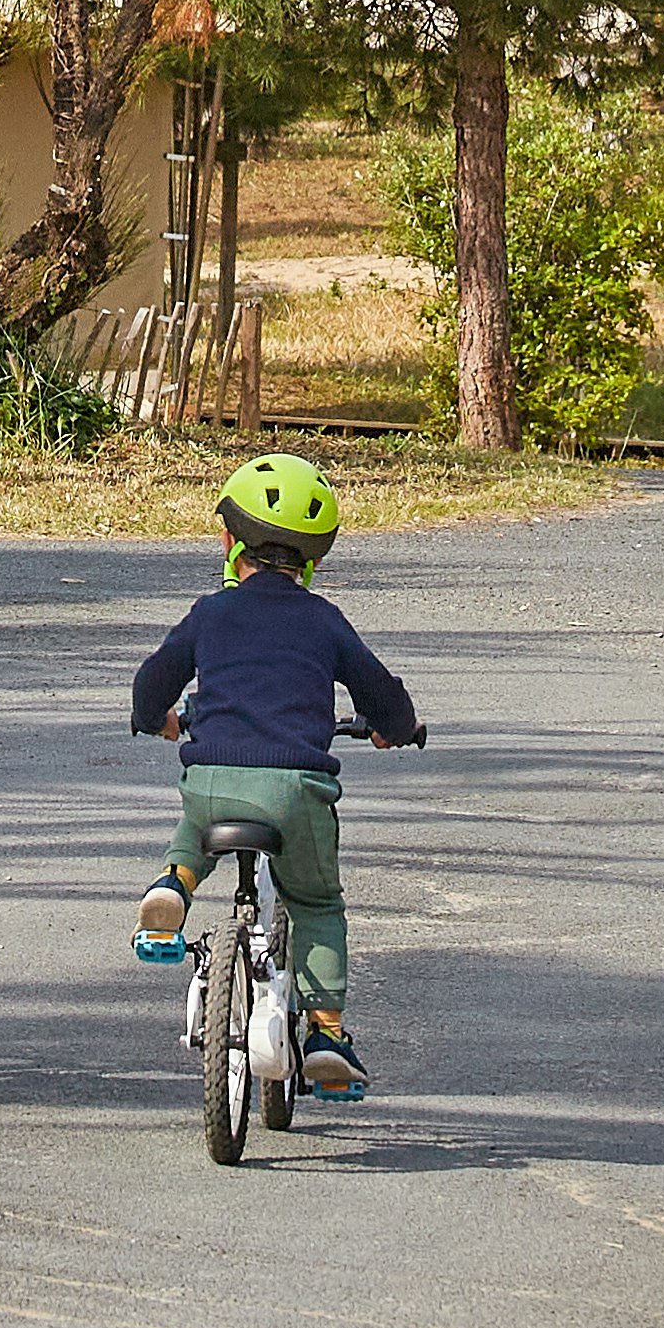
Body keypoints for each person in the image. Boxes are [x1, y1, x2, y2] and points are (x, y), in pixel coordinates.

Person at [127, 451, 419, 1100]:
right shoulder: (325, 620)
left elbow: (151, 683)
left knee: (193, 824)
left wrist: (159, 719)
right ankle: (325, 1032)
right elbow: (385, 695)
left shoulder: (210, 612)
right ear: (312, 557)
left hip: (212, 779)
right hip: (297, 790)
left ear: (231, 541)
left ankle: (172, 888)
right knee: (315, 901)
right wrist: (392, 727)